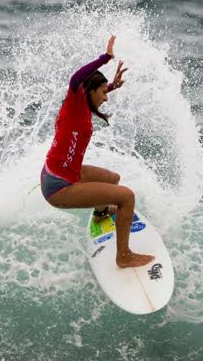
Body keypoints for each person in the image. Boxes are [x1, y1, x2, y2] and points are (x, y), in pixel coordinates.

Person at [40, 35, 155, 268]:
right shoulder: (74, 102)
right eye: (102, 92)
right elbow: (76, 78)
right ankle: (123, 257)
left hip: (65, 172)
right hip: (58, 186)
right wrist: (106, 58)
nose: (105, 98)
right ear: (89, 91)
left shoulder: (83, 106)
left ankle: (102, 213)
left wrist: (112, 85)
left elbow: (95, 94)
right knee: (126, 196)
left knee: (113, 180)